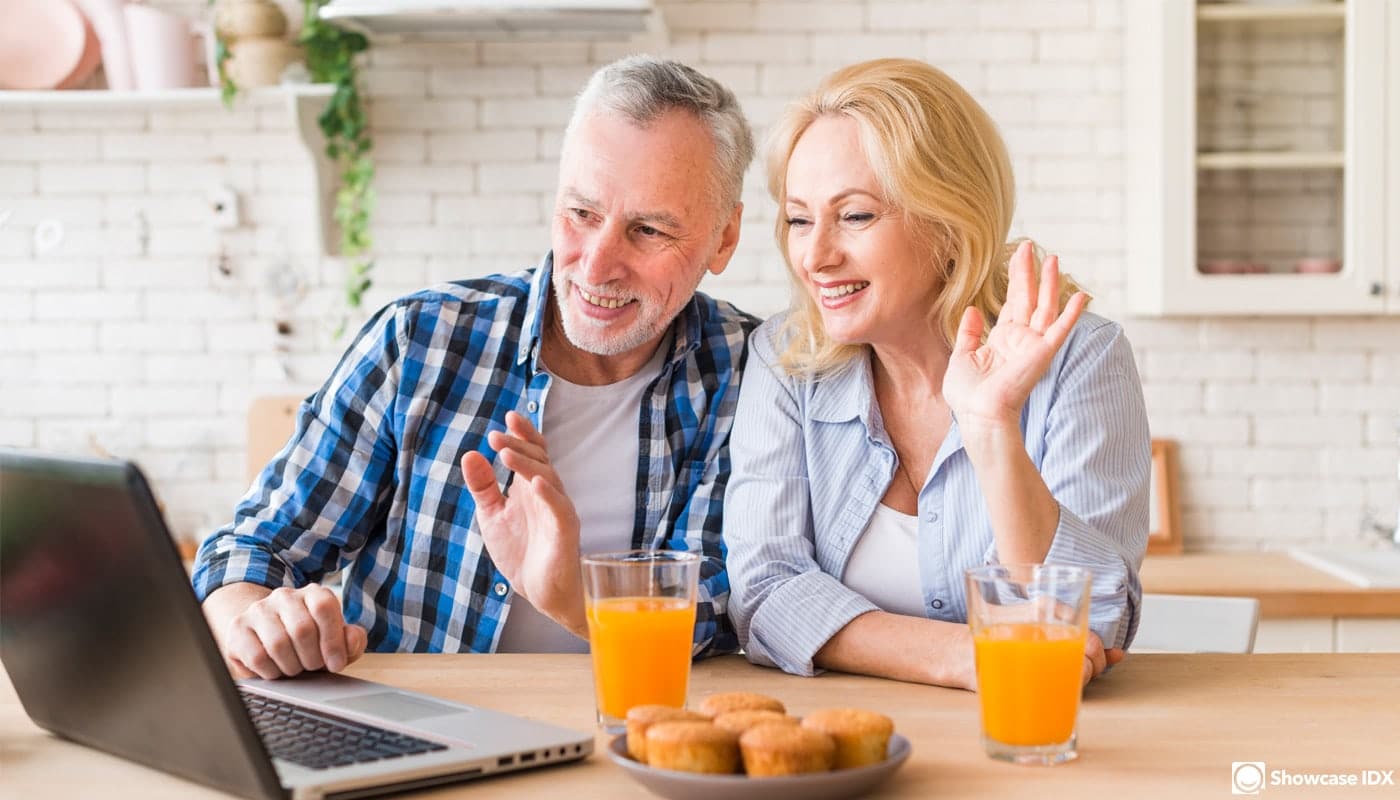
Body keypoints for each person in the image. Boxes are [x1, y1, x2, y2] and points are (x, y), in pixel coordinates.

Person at [194, 55, 758, 679]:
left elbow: (713, 611)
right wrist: (257, 621)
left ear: (724, 238)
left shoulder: (746, 374)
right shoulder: (421, 341)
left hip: (631, 731)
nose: (596, 267)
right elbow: (253, 547)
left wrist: (573, 599)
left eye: (649, 230)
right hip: (414, 729)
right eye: (581, 214)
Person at [724, 58, 1149, 690]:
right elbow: (764, 591)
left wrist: (990, 428)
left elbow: (1093, 619)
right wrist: (964, 656)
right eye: (799, 218)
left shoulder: (1082, 359)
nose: (815, 256)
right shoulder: (784, 362)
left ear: (949, 222)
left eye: (857, 215)